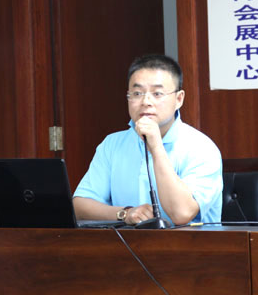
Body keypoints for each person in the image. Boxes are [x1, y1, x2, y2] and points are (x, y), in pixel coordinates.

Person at [73, 54, 223, 226]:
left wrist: (156, 147)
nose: (146, 101)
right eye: (137, 93)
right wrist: (125, 213)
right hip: (126, 242)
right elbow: (79, 206)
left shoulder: (202, 148)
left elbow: (182, 214)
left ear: (179, 99)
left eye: (157, 93)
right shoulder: (112, 144)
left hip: (190, 243)